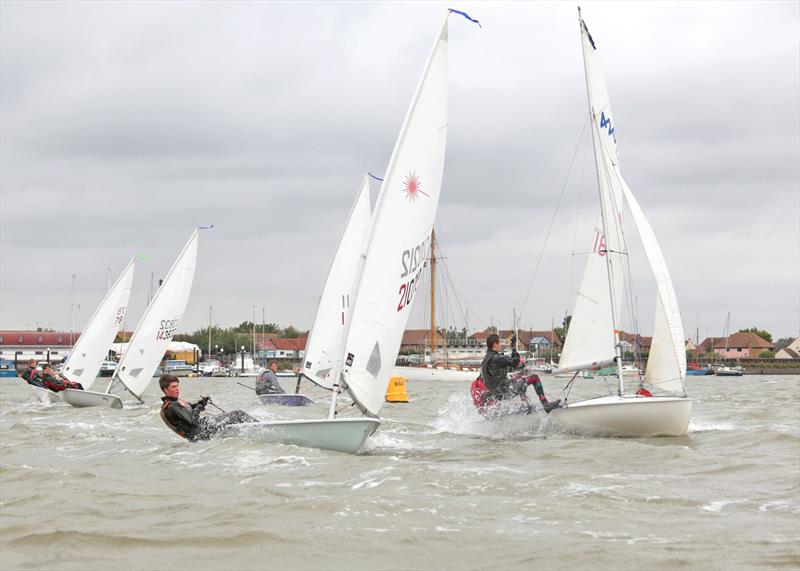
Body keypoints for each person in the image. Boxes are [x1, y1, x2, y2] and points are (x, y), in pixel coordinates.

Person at [474, 333, 560, 414]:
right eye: (499, 342)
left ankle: (528, 406)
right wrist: (513, 347)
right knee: (534, 377)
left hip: (496, 394)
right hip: (506, 391)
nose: (500, 344)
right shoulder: (496, 358)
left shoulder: (485, 360)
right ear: (495, 345)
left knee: (518, 379)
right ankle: (546, 405)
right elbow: (516, 361)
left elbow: (493, 375)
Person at [159, 374, 258, 441]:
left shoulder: (171, 403)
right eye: (173, 387)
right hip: (202, 432)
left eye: (177, 386)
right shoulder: (173, 406)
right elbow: (193, 422)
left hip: (201, 430)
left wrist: (201, 403)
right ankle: (260, 427)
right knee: (238, 414)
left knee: (233, 418)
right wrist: (198, 407)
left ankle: (252, 431)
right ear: (165, 390)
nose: (177, 389)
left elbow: (189, 409)